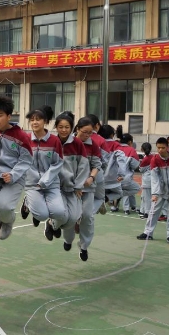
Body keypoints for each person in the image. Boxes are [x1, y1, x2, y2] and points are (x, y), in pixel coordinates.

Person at [0, 97, 32, 241]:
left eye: (0, 115)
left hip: (14, 178)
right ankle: (2, 219)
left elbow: (26, 159)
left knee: (4, 207)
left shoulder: (21, 136)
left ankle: (8, 220)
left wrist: (13, 174)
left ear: (9, 116)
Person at [20, 106, 66, 237]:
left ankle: (49, 222)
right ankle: (28, 202)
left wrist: (44, 181)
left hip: (51, 183)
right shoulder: (25, 140)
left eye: (38, 119)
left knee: (58, 212)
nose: (34, 122)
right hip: (32, 184)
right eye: (32, 119)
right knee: (41, 215)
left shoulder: (54, 141)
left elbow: (58, 163)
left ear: (45, 121)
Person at [137, 137, 169, 245]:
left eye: (163, 147)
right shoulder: (155, 159)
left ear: (167, 147)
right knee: (153, 211)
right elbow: (155, 178)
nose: (160, 150)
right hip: (160, 192)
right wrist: (155, 193)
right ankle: (148, 233)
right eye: (158, 148)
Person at [53, 112, 88, 250]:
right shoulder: (51, 142)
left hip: (72, 187)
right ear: (56, 127)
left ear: (72, 128)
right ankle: (53, 225)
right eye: (60, 127)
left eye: (67, 127)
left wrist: (79, 186)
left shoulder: (77, 143)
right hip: (55, 187)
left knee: (73, 218)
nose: (63, 130)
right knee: (61, 214)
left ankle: (66, 238)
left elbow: (83, 166)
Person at [74, 117, 102, 262]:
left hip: (88, 187)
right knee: (67, 214)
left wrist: (91, 178)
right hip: (69, 187)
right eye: (85, 132)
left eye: (90, 133)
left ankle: (84, 246)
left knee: (88, 216)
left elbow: (96, 165)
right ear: (77, 129)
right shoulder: (68, 143)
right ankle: (52, 224)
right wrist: (75, 185)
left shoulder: (93, 145)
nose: (87, 135)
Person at [98, 125, 125, 212]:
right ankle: (105, 199)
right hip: (112, 177)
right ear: (112, 135)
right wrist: (121, 174)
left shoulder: (98, 143)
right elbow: (121, 159)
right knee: (119, 193)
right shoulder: (115, 144)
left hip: (99, 175)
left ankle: (101, 201)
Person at [118, 133, 141, 215]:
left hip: (114, 177)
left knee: (128, 189)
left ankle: (132, 206)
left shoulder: (116, 148)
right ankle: (126, 208)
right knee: (135, 189)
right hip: (125, 177)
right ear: (130, 142)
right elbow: (135, 165)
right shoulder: (131, 150)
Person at [138, 142, 153, 220]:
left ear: (142, 149)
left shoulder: (146, 158)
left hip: (147, 180)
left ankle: (147, 212)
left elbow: (141, 169)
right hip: (152, 179)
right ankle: (142, 210)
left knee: (146, 197)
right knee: (144, 196)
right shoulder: (153, 156)